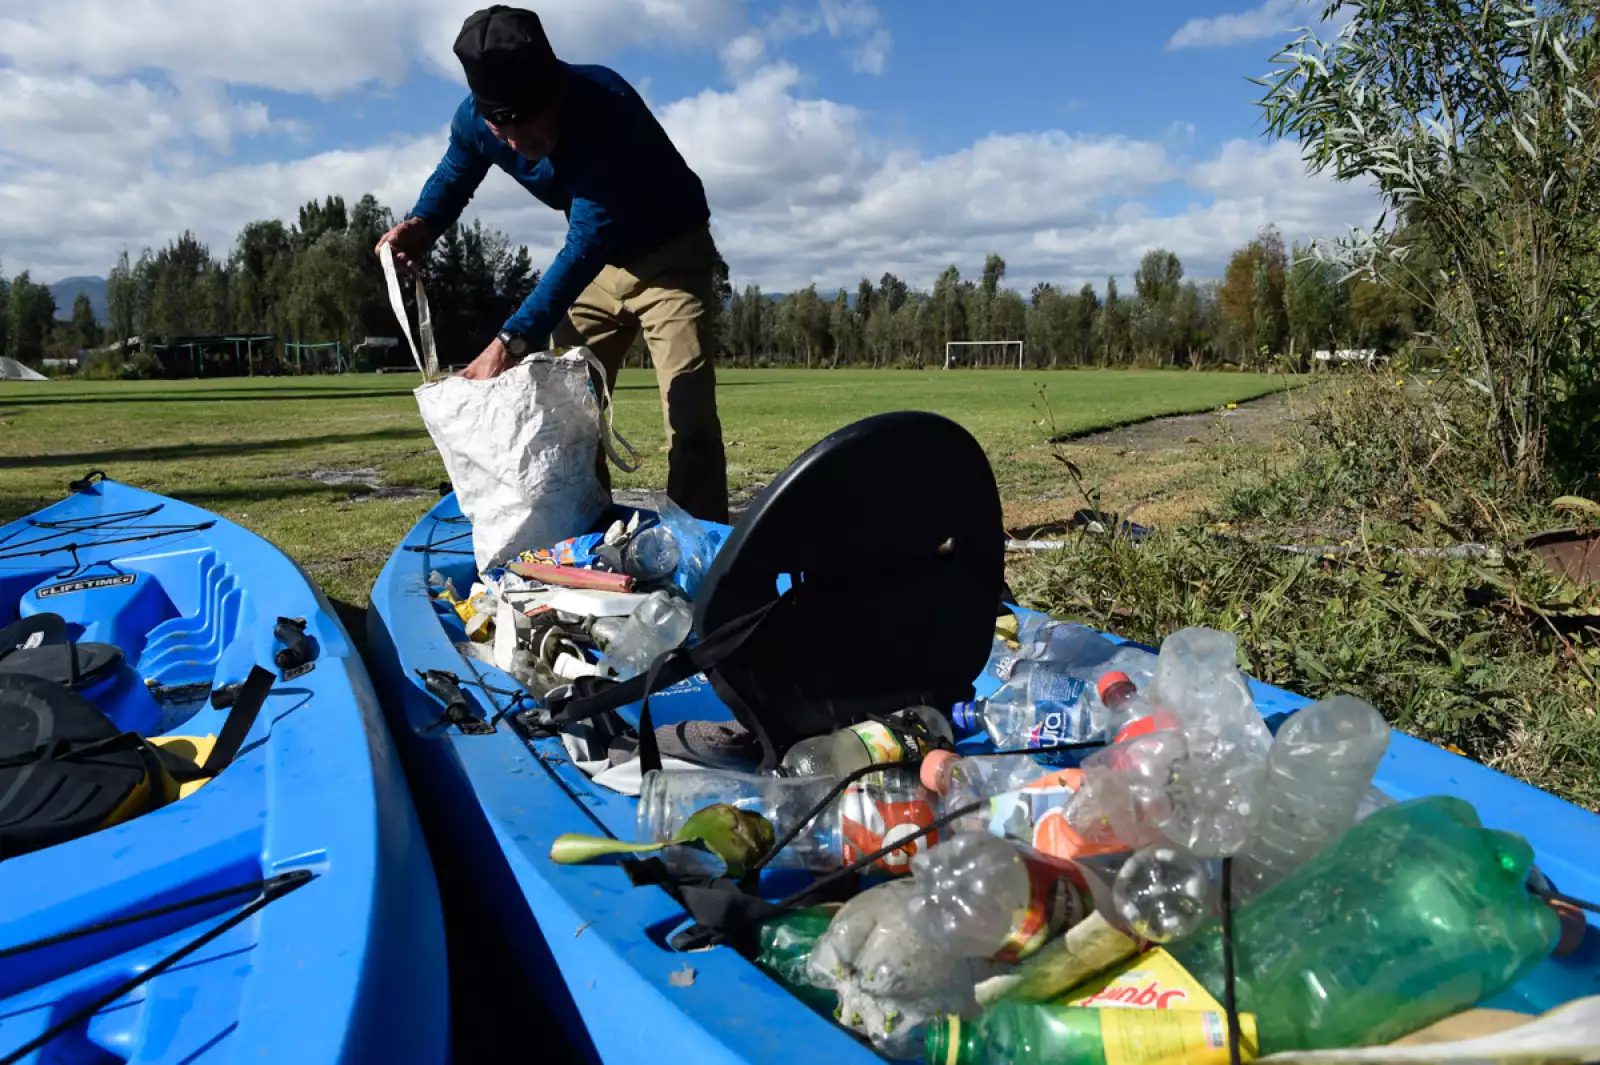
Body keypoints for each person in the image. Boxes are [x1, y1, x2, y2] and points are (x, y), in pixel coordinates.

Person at [376, 5, 729, 523]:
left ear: (556, 91)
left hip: (668, 258)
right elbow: (456, 171)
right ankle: (585, 533)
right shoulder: (477, 121)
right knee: (565, 412)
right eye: (504, 131)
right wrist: (422, 224)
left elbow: (588, 238)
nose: (521, 146)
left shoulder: (606, 108)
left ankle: (702, 550)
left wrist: (508, 342)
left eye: (531, 125)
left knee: (688, 411)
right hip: (597, 271)